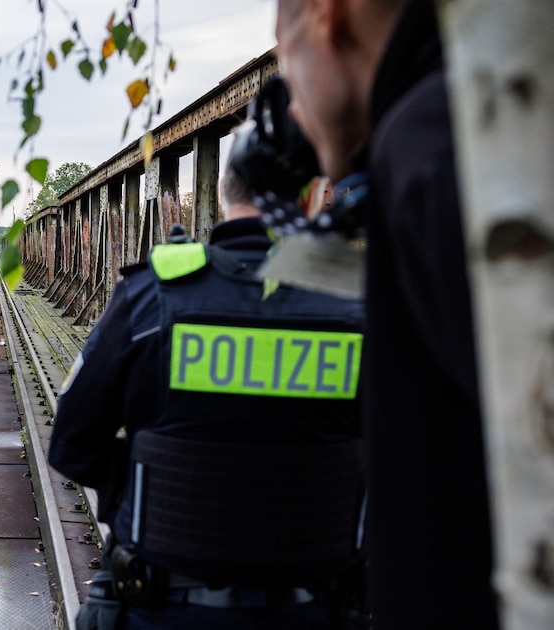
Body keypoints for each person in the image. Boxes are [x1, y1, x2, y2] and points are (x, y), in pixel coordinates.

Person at [50, 159, 366, 628]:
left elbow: (71, 444)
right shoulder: (356, 307)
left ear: (220, 192)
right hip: (313, 609)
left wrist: (149, 478)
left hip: (166, 607)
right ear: (312, 197)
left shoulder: (152, 296)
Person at [273, 0, 498, 626]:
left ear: (328, 19)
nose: (294, 109)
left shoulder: (429, 146)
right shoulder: (468, 120)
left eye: (288, 73)